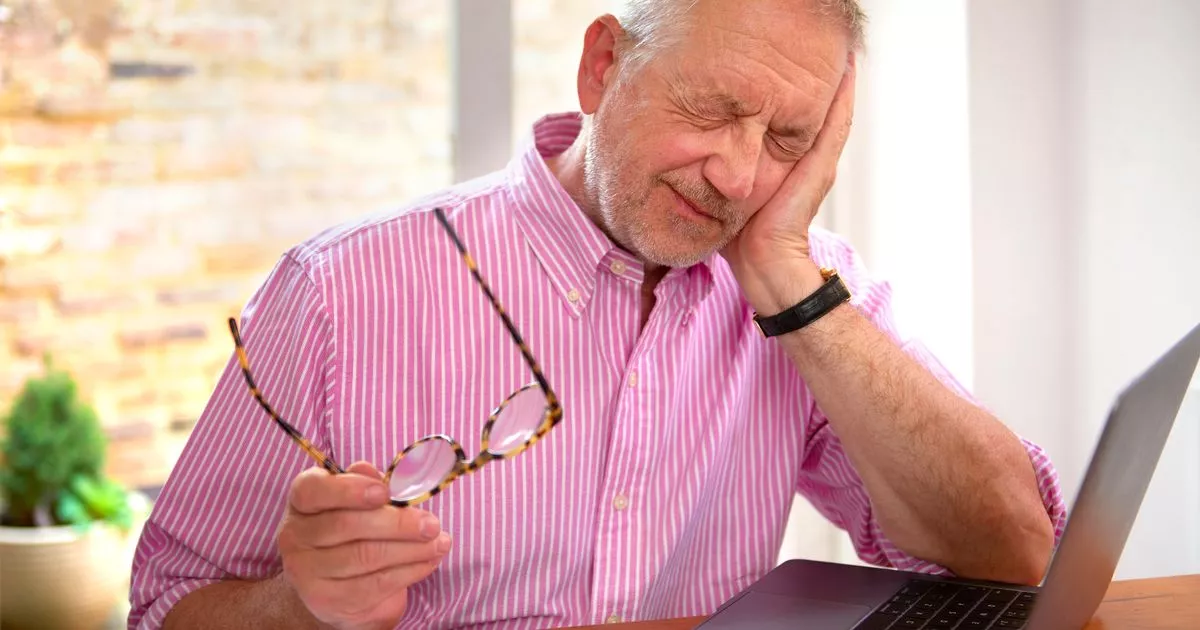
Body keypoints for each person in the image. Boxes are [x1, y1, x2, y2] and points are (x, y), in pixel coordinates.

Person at [128, 0, 1067, 628]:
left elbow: (1020, 552)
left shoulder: (809, 293)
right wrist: (299, 605)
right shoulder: (337, 288)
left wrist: (790, 281)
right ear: (603, 66)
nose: (740, 177)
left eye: (787, 140)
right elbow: (165, 605)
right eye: (712, 108)